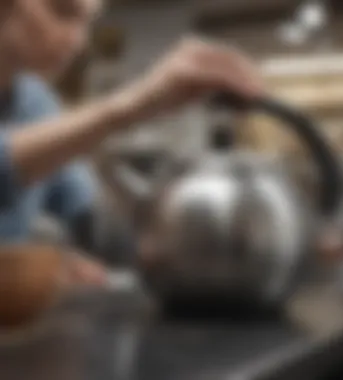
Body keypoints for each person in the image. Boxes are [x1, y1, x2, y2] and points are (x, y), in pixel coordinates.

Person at [0, 0, 263, 281]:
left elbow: (89, 218)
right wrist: (131, 105)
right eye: (62, 12)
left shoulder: (37, 104)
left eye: (87, 23)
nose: (77, 41)